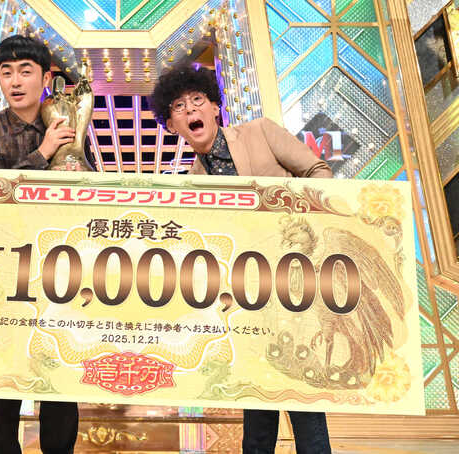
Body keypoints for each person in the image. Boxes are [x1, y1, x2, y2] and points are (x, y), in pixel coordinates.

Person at [150, 64, 333, 454]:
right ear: (172, 126)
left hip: (294, 285)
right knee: (256, 398)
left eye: (198, 100)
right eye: (179, 107)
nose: (190, 109)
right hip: (245, 300)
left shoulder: (260, 132)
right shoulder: (191, 184)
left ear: (215, 108)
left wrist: (297, 225)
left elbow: (318, 171)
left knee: (301, 397)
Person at [0, 34, 80, 454]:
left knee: (59, 376)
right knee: (3, 381)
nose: (15, 81)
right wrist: (43, 151)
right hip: (6, 269)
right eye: (6, 72)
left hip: (59, 268)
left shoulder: (69, 125)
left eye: (25, 71)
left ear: (46, 78)